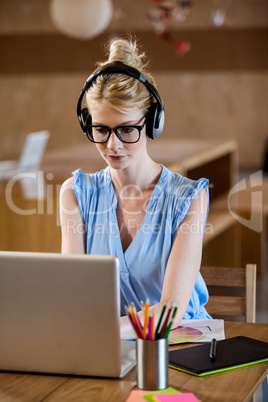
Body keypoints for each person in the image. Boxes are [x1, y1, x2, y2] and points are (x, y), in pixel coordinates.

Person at [60, 37, 211, 340]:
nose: (112, 145)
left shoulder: (189, 197)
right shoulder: (75, 193)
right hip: (111, 347)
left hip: (181, 343)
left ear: (152, 122)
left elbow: (170, 311)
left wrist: (98, 333)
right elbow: (71, 293)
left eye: (127, 129)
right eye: (101, 130)